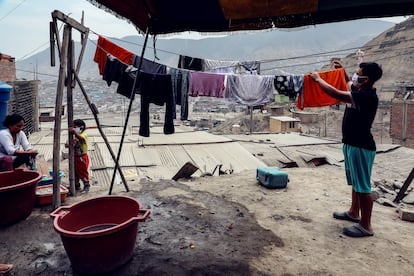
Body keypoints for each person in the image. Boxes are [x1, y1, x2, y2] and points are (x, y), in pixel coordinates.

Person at [309, 61, 383, 238]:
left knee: (363, 187)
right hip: (352, 143)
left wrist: (318, 79)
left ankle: (365, 225)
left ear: (367, 79)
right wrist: (342, 72)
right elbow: (349, 83)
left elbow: (335, 93)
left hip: (361, 146)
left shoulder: (366, 96)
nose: (355, 76)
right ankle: (353, 212)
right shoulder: (360, 89)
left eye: (359, 74)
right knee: (356, 182)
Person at [66, 119, 90, 192]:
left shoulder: (83, 134)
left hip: (81, 157)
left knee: (82, 171)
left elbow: (82, 139)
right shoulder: (73, 136)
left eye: (75, 127)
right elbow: (68, 145)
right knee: (75, 172)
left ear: (81, 127)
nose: (74, 128)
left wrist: (74, 133)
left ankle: (86, 185)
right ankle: (76, 185)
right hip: (74, 157)